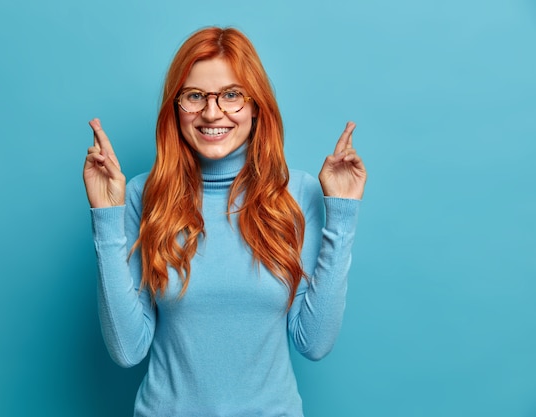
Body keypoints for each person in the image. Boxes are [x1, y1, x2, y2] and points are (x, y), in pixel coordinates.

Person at [83, 27, 367, 417]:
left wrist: (342, 212)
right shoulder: (141, 196)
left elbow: (313, 342)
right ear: (176, 107)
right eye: (195, 96)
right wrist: (106, 216)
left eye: (232, 95)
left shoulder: (298, 195)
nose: (212, 112)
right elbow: (127, 349)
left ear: (256, 106)